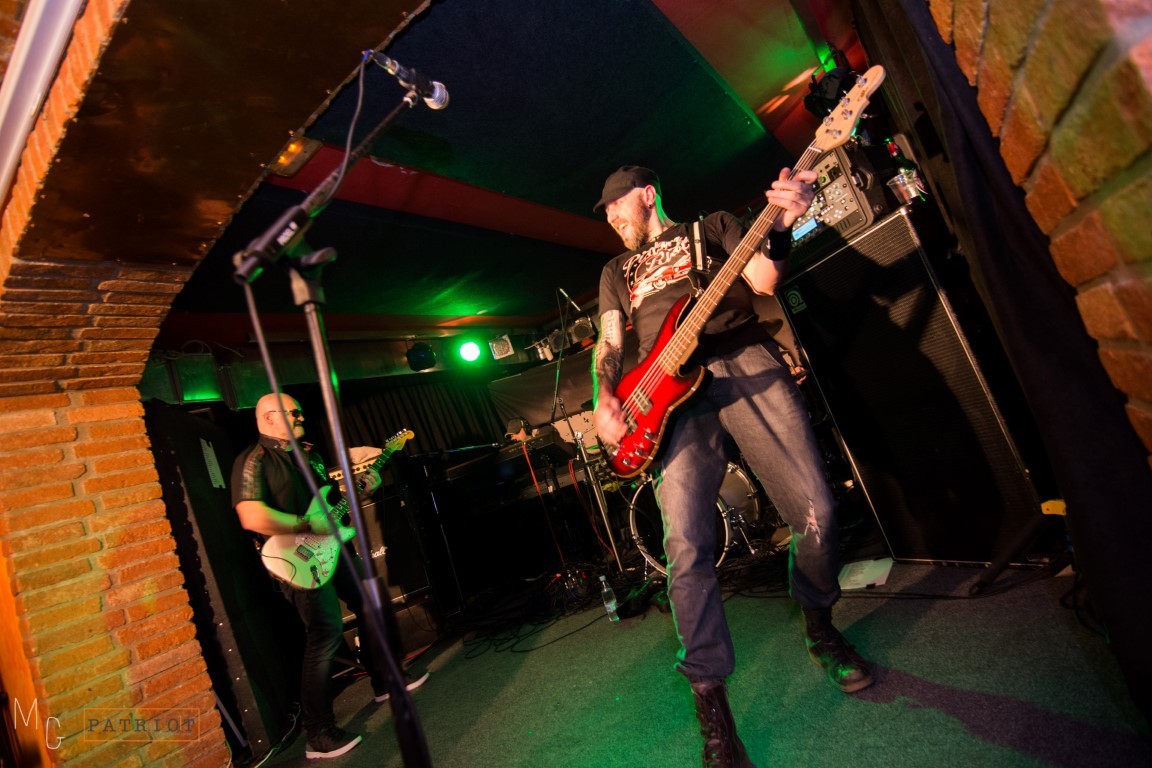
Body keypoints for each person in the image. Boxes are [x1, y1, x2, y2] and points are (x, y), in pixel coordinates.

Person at [591, 166, 872, 767]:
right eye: (606, 214)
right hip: (664, 394)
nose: (612, 219)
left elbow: (764, 279)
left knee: (817, 512)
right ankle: (714, 716)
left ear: (648, 194)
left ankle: (819, 621)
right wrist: (605, 394)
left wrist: (785, 224)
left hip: (741, 359)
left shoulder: (713, 227)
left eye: (617, 206)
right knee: (685, 546)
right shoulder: (617, 272)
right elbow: (610, 342)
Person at [231, 393, 428, 759]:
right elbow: (250, 516)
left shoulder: (311, 454)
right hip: (296, 558)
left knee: (369, 605)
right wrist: (306, 525)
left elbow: (331, 505)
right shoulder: (255, 459)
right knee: (325, 635)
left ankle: (383, 681)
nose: (301, 417)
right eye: (293, 413)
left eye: (300, 411)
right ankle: (318, 733)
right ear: (269, 418)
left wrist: (361, 489)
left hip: (335, 549)